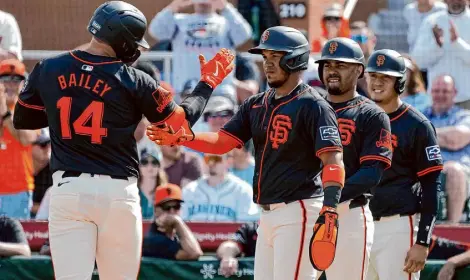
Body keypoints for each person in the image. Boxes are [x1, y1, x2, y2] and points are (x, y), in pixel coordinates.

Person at [12, 1, 234, 279]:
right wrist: (207, 84)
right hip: (116, 192)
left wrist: (67, 109)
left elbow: (23, 120)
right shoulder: (135, 80)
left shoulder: (48, 68)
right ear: (123, 41)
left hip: (68, 190)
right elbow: (180, 123)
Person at [148, 26, 345, 280]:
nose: (268, 64)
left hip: (301, 210)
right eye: (265, 58)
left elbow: (333, 160)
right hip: (266, 215)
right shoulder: (255, 103)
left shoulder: (314, 105)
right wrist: (188, 138)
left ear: (295, 59)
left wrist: (330, 208)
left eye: (276, 57)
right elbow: (222, 142)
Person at [314, 38, 393, 280]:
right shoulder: (308, 107)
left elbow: (371, 173)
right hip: (306, 210)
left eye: (341, 65)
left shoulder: (372, 114)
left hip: (348, 214)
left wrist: (328, 199)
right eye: (328, 65)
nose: (332, 71)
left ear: (359, 70)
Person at [365, 49, 443, 280]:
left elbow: (431, 186)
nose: (377, 83)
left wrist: (423, 241)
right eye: (374, 76)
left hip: (397, 228)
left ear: (400, 82)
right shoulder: (359, 118)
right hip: (360, 224)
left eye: (385, 77)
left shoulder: (417, 124)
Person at [181, 153, 259, 222]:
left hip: (230, 238)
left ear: (228, 161)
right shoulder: (189, 190)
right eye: (208, 159)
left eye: (216, 159)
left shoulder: (242, 190)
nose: (211, 163)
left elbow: (247, 225)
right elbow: (181, 221)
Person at [142, 183, 203, 260]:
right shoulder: (152, 237)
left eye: (176, 207)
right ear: (155, 210)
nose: (172, 211)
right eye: (166, 207)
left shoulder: (178, 232)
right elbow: (194, 253)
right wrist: (177, 221)